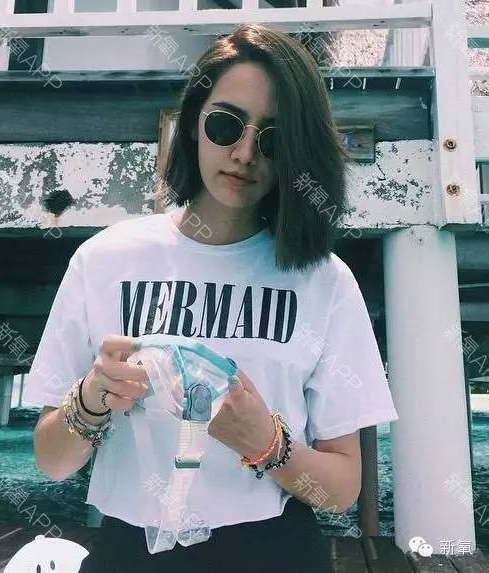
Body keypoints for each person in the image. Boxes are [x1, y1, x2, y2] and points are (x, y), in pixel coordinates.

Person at [24, 23, 399, 573]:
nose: (244, 153)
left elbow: (342, 488)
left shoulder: (325, 281)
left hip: (273, 552)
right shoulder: (105, 259)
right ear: (194, 124)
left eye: (272, 139)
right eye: (225, 124)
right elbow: (52, 461)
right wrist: (92, 398)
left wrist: (266, 442)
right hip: (131, 551)